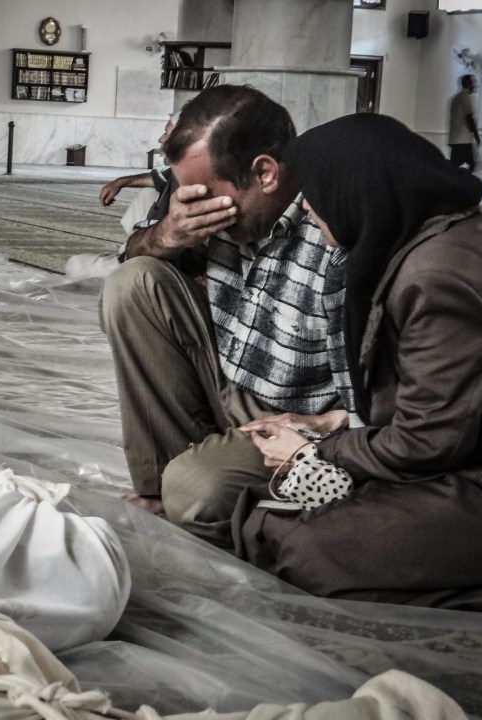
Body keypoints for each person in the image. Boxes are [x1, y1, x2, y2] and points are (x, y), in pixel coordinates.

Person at [238, 113, 482, 611]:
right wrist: (331, 425)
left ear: (356, 190)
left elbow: (426, 442)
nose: (305, 205)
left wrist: (321, 454)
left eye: (315, 189)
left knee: (301, 551)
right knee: (272, 521)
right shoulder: (434, 240)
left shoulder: (440, 275)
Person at [99, 85, 352, 547]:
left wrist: (321, 430)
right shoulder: (211, 215)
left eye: (206, 195)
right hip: (233, 379)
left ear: (264, 173)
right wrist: (166, 235)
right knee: (134, 282)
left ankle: (196, 491)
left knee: (195, 493)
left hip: (294, 421)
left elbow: (380, 411)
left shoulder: (332, 228)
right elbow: (129, 256)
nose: (195, 207)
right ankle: (161, 486)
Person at [448, 74, 480, 173]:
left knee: (455, 166)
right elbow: (469, 117)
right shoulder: (466, 97)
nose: (474, 85)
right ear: (467, 84)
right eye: (472, 83)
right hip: (463, 139)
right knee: (470, 165)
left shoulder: (454, 98)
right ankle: (464, 184)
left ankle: (455, 183)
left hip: (454, 139)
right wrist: (476, 135)